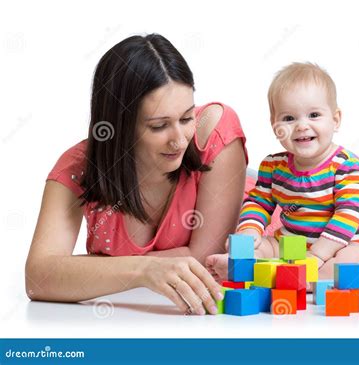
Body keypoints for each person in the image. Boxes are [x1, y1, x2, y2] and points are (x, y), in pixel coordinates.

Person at [25, 34, 249, 315]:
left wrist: (92, 269)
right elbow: (39, 278)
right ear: (119, 125)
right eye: (159, 126)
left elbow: (206, 260)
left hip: (302, 234)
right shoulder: (77, 168)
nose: (180, 140)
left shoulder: (214, 130)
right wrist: (143, 269)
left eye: (186, 117)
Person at [206, 62, 359, 288]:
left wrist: (316, 256)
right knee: (262, 247)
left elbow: (347, 217)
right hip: (288, 246)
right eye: (289, 119)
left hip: (340, 246)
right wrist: (249, 230)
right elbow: (258, 202)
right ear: (274, 124)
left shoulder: (350, 168)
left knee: (357, 264)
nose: (301, 126)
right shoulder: (274, 166)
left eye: (314, 115)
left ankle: (291, 279)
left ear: (335, 120)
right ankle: (247, 267)